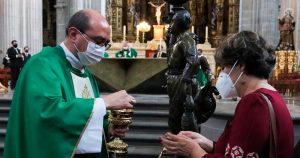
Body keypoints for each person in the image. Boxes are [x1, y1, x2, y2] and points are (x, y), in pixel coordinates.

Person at [4, 9, 135, 158]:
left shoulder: (87, 74)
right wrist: (104, 102)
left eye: (106, 44)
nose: (102, 50)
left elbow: (85, 121)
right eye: (98, 42)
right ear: (73, 34)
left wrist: (108, 128)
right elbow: (47, 113)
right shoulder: (42, 64)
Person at [161, 31, 294, 157]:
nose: (223, 73)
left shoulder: (254, 103)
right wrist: (207, 144)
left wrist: (192, 150)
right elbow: (246, 149)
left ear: (241, 65)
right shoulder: (271, 95)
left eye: (225, 67)